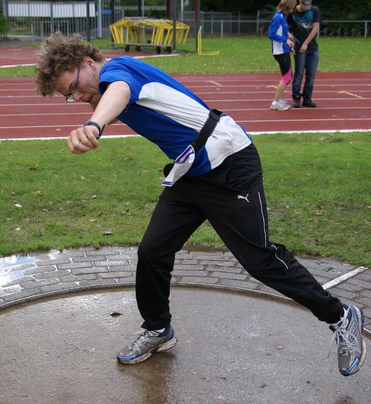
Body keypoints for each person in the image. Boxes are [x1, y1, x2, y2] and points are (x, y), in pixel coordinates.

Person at [35, 32, 366, 376]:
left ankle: (341, 316)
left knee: (260, 260)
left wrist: (93, 124)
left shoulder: (117, 71)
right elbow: (115, 101)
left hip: (230, 163)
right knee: (153, 250)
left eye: (74, 86)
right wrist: (92, 106)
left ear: (89, 63)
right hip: (191, 170)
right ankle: (157, 328)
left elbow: (117, 90)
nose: (76, 96)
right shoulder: (109, 84)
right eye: (68, 96)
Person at [288, 0, 321, 108]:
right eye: (303, 6)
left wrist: (306, 43)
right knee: (299, 73)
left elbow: (315, 27)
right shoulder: (292, 13)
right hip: (299, 47)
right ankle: (296, 97)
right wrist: (289, 36)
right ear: (299, 2)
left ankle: (307, 97)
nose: (305, 8)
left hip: (312, 47)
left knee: (311, 74)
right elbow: (284, 27)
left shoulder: (314, 10)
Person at [268, 0, 297, 111]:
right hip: (279, 51)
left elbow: (283, 32)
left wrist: (289, 45)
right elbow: (272, 34)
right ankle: (275, 102)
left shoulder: (282, 17)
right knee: (287, 76)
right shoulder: (277, 18)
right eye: (292, 7)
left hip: (283, 49)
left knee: (288, 75)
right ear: (288, 7)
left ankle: (278, 100)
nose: (293, 9)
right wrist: (285, 40)